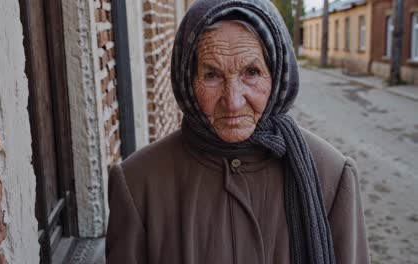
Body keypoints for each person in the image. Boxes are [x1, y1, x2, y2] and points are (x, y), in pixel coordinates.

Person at [106, 0, 370, 263]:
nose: (233, 101)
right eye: (212, 75)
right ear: (188, 80)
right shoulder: (138, 185)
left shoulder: (333, 177)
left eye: (251, 72)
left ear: (277, 76)